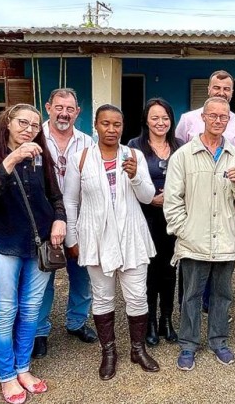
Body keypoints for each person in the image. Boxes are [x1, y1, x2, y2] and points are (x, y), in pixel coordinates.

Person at [0, 104, 66, 404]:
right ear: (8, 123)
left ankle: (23, 369)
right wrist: (12, 159)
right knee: (3, 311)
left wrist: (59, 219)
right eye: (23, 123)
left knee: (31, 309)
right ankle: (7, 376)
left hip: (37, 244)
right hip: (1, 244)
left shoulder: (42, 155)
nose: (29, 129)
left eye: (35, 125)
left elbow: (55, 194)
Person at [64, 104, 160, 380]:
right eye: (105, 123)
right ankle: (109, 352)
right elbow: (71, 200)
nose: (111, 129)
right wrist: (72, 237)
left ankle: (138, 349)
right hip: (95, 235)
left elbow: (147, 196)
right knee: (103, 296)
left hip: (131, 235)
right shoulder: (81, 158)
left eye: (116, 124)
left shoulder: (134, 155)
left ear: (123, 126)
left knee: (137, 295)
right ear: (96, 125)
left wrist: (136, 175)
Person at [164, 96, 235, 371]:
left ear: (229, 121)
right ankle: (188, 345)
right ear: (202, 117)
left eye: (223, 117)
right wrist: (185, 230)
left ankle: (218, 340)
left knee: (222, 295)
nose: (218, 121)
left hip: (225, 239)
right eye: (213, 116)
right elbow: (172, 200)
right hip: (195, 241)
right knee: (191, 294)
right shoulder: (183, 155)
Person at [34, 88, 97, 360]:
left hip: (80, 219)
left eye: (70, 109)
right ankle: (38, 331)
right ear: (48, 107)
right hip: (43, 220)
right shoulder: (35, 138)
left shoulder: (87, 143)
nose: (64, 113)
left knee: (82, 275)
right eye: (59, 107)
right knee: (42, 277)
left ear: (77, 112)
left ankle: (77, 322)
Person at [127, 98, 183, 346]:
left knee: (170, 270)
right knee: (149, 271)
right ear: (146, 120)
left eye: (165, 118)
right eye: (155, 118)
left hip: (172, 218)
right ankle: (149, 321)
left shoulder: (181, 146)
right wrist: (151, 199)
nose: (161, 123)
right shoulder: (134, 147)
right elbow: (131, 180)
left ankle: (166, 320)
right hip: (145, 217)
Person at [175, 70, 235, 155]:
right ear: (208, 89)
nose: (221, 93)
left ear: (232, 93)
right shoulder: (187, 119)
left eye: (226, 89)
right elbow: (177, 153)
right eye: (216, 88)